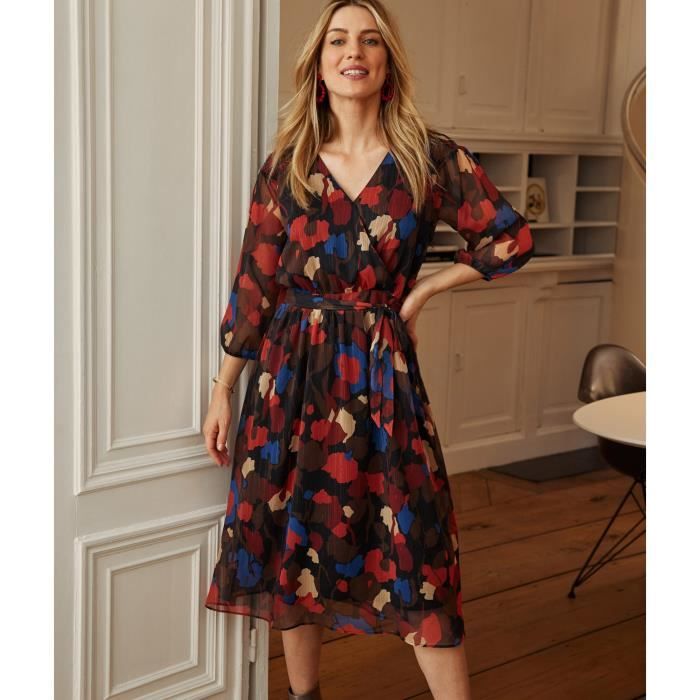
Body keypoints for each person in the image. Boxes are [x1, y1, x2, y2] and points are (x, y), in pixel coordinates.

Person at [202, 1, 534, 698]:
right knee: (295, 548)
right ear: (319, 66)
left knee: (418, 556)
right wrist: (223, 389)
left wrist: (426, 289)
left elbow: (509, 237)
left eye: (369, 40)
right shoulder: (288, 166)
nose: (353, 51)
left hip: (384, 383)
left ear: (387, 63)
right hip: (290, 383)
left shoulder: (426, 158)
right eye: (338, 40)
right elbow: (255, 285)